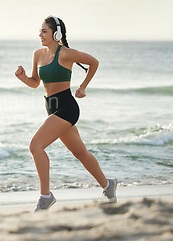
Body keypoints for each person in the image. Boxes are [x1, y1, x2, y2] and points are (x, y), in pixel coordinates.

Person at [14, 15, 117, 212]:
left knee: (35, 146)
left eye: (44, 31)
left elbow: (94, 62)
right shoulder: (38, 54)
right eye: (40, 31)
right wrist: (23, 78)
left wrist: (84, 87)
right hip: (51, 107)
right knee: (80, 152)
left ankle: (46, 196)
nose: (40, 34)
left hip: (66, 108)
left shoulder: (66, 54)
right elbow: (35, 83)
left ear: (56, 33)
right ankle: (108, 184)